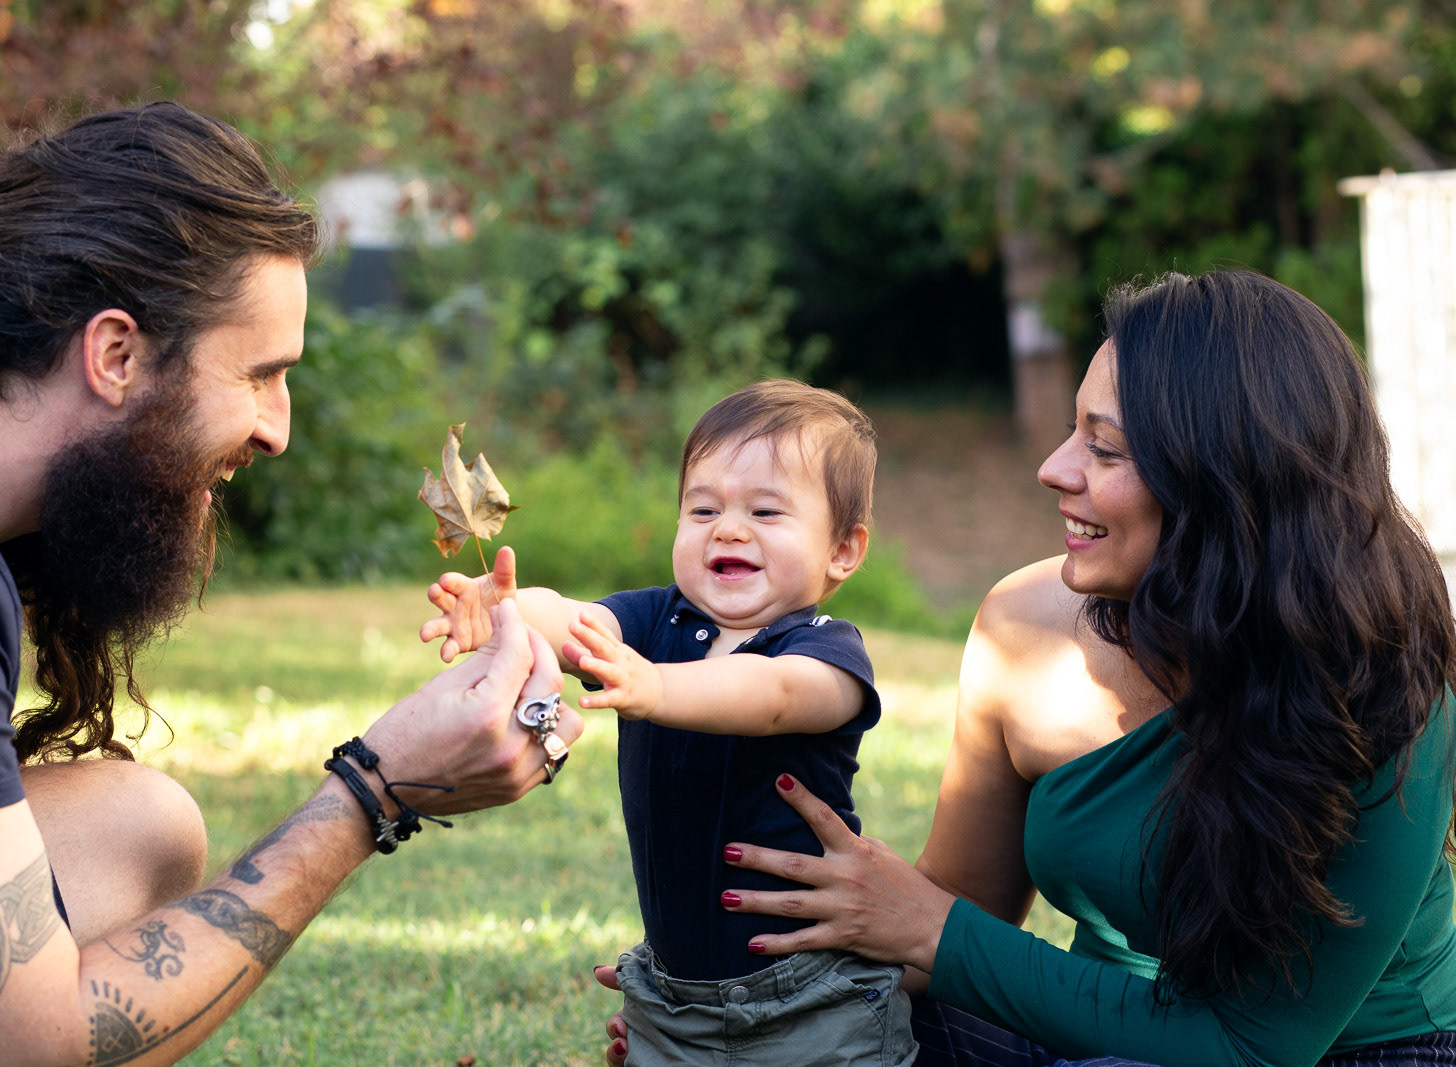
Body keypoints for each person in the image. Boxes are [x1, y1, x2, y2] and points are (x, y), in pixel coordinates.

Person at [0, 102, 583, 1066]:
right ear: (115, 355)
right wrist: (374, 790)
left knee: (136, 826)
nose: (278, 430)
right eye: (260, 375)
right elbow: (28, 1051)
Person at [603, 268, 1456, 1066]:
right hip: (1088, 1027)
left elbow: (1254, 1045)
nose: (1054, 469)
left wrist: (935, 931)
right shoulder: (1025, 624)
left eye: (1106, 450)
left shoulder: (1384, 681)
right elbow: (948, 915)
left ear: (1224, 485)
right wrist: (742, 1017)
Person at [422, 380, 919, 1064]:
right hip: (674, 999)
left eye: (767, 511)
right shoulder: (658, 618)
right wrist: (507, 606)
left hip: (813, 999)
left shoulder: (824, 648)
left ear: (843, 550)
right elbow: (573, 620)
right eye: (703, 507)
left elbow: (770, 693)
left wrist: (655, 683)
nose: (729, 527)